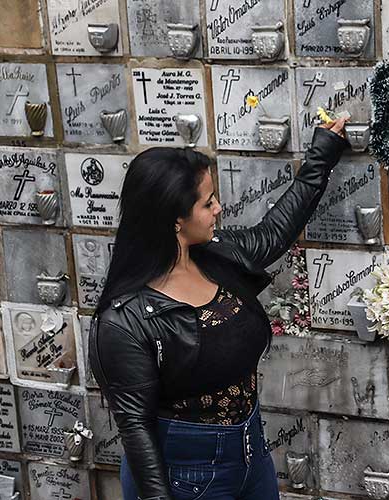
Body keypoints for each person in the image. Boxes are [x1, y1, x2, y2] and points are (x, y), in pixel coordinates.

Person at [89, 118, 349, 500]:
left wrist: (323, 152)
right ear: (175, 219)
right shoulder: (124, 320)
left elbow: (275, 232)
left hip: (250, 454)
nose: (219, 208)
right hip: (186, 475)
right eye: (208, 202)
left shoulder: (216, 256)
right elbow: (136, 431)